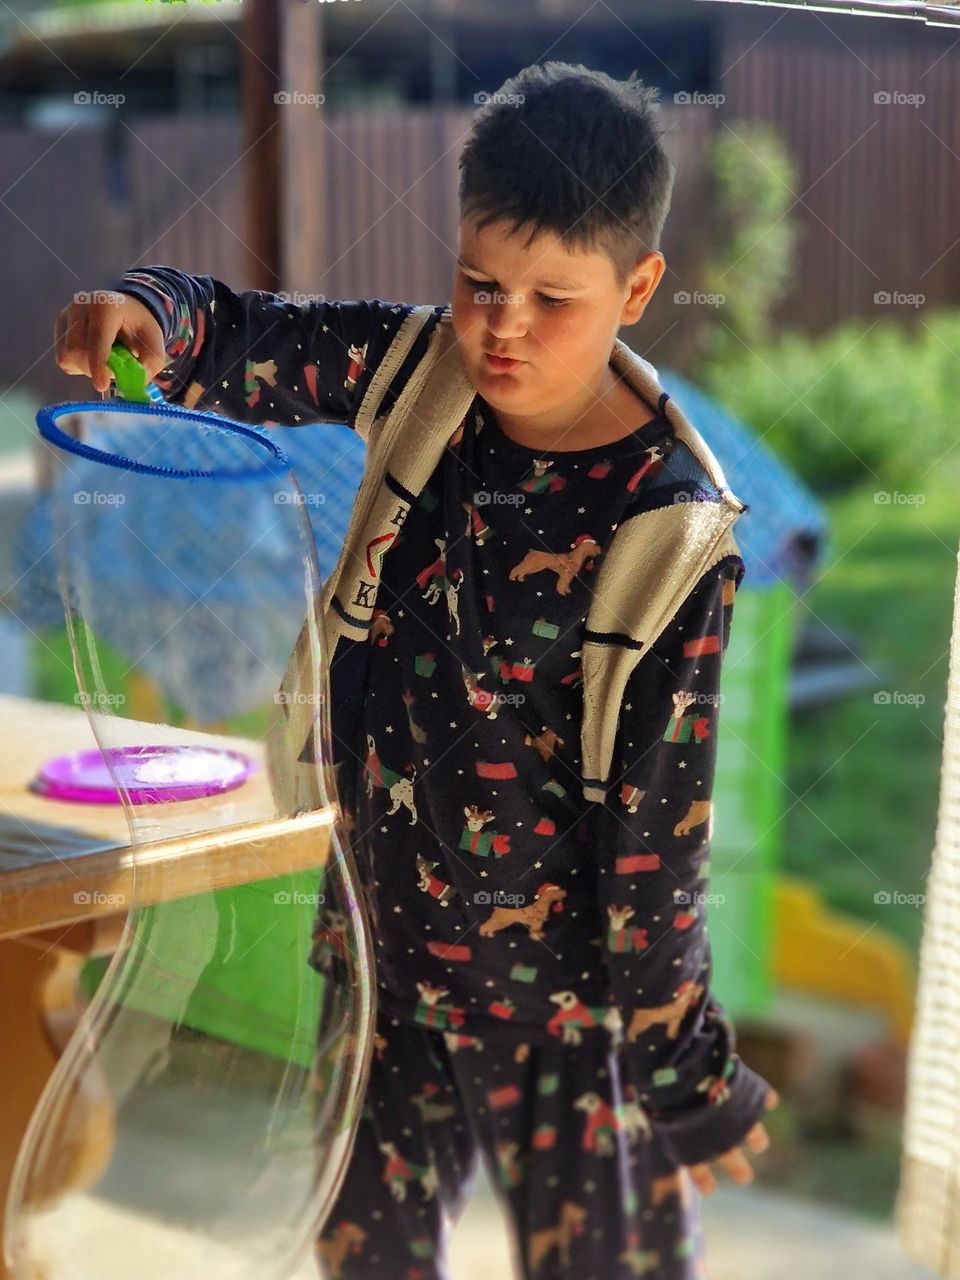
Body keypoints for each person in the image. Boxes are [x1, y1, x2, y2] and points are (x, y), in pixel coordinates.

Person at [55, 60, 779, 1280]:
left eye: (553, 299)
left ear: (639, 287)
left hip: (574, 1018)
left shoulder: (672, 532)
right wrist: (152, 316)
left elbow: (661, 836)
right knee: (361, 1258)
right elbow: (245, 335)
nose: (501, 327)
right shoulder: (417, 373)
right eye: (479, 282)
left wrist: (681, 1064)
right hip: (385, 972)